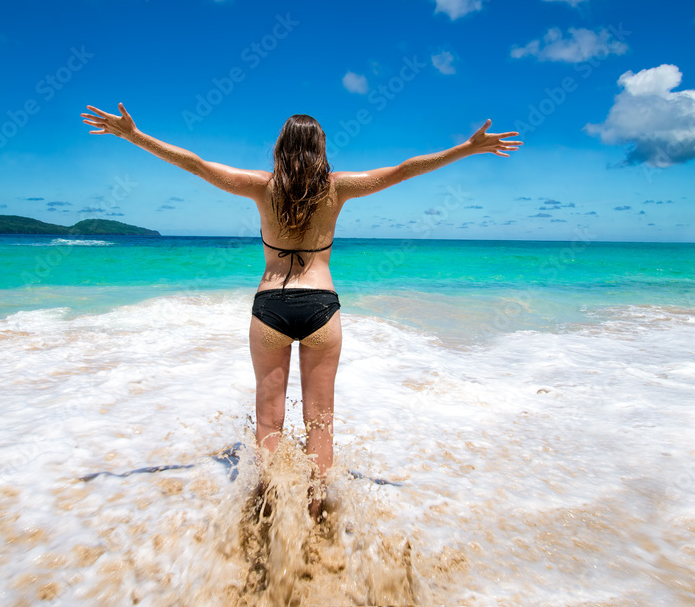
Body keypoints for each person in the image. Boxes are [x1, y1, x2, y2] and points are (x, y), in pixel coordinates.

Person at [81, 104, 522, 519]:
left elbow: (196, 165)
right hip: (321, 307)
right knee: (320, 423)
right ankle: (313, 517)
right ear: (320, 148)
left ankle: (270, 512)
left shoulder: (260, 185)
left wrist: (136, 137)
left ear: (280, 146)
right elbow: (404, 170)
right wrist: (467, 149)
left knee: (270, 420)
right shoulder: (340, 187)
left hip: (270, 305)